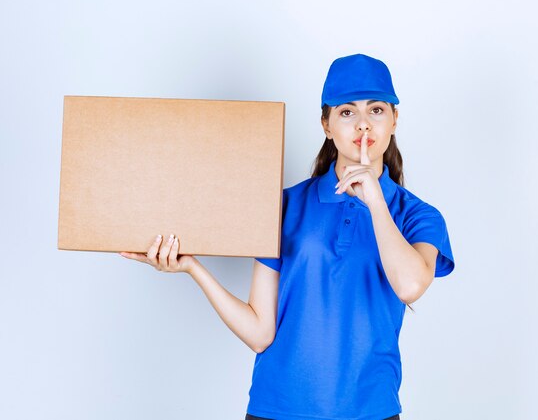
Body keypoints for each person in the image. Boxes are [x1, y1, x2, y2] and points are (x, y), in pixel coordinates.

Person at [120, 53, 455, 420]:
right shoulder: (285, 205)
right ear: (326, 124)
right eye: (347, 112)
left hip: (370, 413)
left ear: (394, 120)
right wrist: (194, 269)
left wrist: (375, 200)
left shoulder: (418, 215)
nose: (362, 125)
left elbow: (410, 285)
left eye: (376, 110)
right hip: (275, 411)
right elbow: (261, 332)